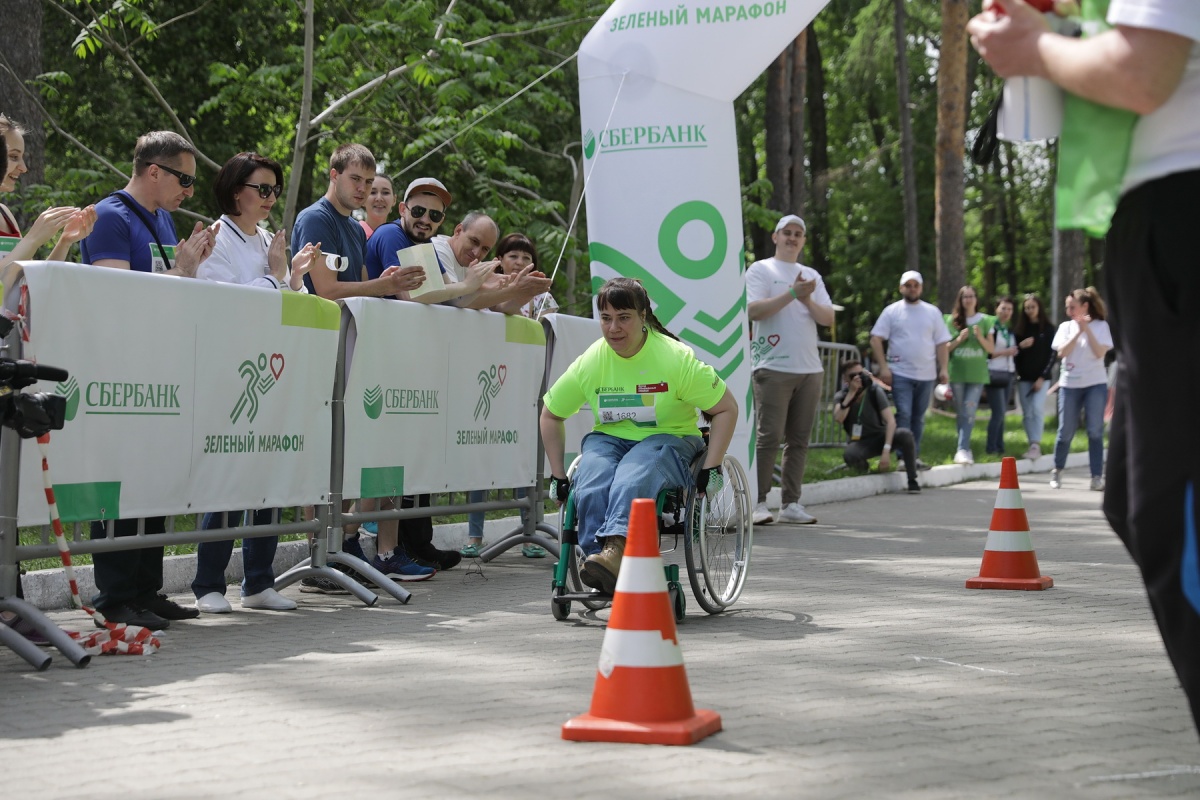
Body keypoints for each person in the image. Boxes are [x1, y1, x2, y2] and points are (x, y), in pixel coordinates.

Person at [983, 0, 1200, 737]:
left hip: (1182, 209)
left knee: (1178, 511)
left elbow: (1142, 74)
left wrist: (1039, 48)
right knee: (1140, 499)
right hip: (1157, 216)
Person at [79, 130, 220, 629]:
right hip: (118, 375)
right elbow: (114, 293)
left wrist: (192, 268)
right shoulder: (110, 217)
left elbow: (168, 291)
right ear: (154, 171)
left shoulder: (162, 218)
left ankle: (146, 590)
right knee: (118, 487)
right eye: (184, 178)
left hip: (159, 371)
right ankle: (115, 596)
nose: (189, 190)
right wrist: (179, 272)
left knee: (154, 482)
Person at [291, 144, 434, 587]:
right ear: (333, 175)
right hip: (319, 352)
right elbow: (328, 290)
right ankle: (320, 554)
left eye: (370, 184)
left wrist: (383, 287)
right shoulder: (315, 219)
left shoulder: (355, 228)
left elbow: (356, 291)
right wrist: (385, 284)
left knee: (348, 454)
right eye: (356, 181)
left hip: (350, 352)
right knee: (323, 453)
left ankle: (344, 545)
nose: (363, 190)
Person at [540, 278, 737, 595]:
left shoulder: (675, 359)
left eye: (624, 317)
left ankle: (615, 553)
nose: (613, 328)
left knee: (635, 471)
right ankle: (599, 563)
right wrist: (558, 476)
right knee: (590, 478)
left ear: (643, 316)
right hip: (609, 440)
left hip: (670, 438)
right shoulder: (593, 361)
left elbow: (727, 408)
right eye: (606, 318)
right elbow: (551, 414)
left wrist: (711, 467)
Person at [191, 152, 322, 613]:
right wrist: (275, 275)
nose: (269, 198)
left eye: (273, 190)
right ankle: (208, 583)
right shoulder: (215, 238)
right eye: (260, 189)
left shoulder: (270, 238)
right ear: (234, 191)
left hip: (273, 370)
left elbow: (291, 300)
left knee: (267, 475)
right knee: (227, 480)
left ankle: (258, 581)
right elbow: (222, 304)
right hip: (231, 373)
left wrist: (295, 277)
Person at [460, 232, 559, 560]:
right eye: (512, 255)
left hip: (527, 388)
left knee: (525, 461)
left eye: (526, 257)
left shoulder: (543, 297)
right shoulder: (487, 288)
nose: (519, 262)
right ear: (499, 259)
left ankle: (530, 532)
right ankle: (475, 535)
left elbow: (550, 328)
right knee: (479, 460)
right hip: (487, 385)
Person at [745, 214, 834, 525]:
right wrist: (793, 294)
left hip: (810, 368)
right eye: (787, 233)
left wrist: (806, 298)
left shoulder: (810, 275)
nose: (792, 238)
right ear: (775, 237)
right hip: (772, 366)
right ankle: (757, 502)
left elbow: (828, 318)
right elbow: (753, 310)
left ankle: (791, 503)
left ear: (803, 240)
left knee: (799, 439)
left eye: (798, 234)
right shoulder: (761, 269)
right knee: (768, 437)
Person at [869, 270, 951, 466]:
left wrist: (944, 369)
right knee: (904, 414)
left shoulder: (932, 312)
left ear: (921, 288)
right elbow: (875, 339)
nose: (912, 289)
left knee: (918, 417)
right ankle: (902, 457)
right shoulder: (892, 311)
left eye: (916, 285)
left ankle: (913, 455)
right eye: (908, 285)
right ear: (901, 288)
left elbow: (942, 343)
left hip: (926, 374)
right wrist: (884, 367)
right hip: (900, 372)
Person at [0, 114, 95, 271]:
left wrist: (65, 242)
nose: (23, 168)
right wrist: (32, 239)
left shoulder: (5, 214)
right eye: (14, 157)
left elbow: (27, 282)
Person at [1048, 287, 1111, 491]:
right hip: (1070, 385)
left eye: (1072, 307)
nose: (1069, 311)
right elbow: (1061, 353)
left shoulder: (1101, 326)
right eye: (1067, 307)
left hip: (1095, 384)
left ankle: (1096, 476)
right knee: (1065, 431)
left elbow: (1100, 352)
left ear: (1085, 306)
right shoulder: (1065, 327)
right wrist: (1077, 333)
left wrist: (1088, 330)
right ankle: (1057, 469)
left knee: (1094, 431)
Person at [832, 360, 920, 494]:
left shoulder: (873, 391)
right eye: (852, 376)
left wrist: (886, 451)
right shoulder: (842, 396)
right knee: (850, 454)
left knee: (905, 434)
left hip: (881, 437)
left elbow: (891, 422)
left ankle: (912, 479)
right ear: (845, 379)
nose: (858, 378)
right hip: (860, 442)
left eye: (860, 374)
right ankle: (863, 468)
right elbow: (839, 418)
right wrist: (851, 393)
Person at [944, 286, 995, 465]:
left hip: (977, 375)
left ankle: (962, 449)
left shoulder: (986, 320)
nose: (968, 299)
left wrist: (980, 337)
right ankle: (964, 447)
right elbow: (945, 349)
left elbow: (991, 349)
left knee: (969, 411)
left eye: (971, 296)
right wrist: (959, 339)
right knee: (961, 412)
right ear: (960, 299)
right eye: (965, 297)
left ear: (976, 299)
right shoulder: (950, 320)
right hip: (957, 373)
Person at [1013, 293, 1055, 460]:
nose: (1030, 310)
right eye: (1027, 308)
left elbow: (1053, 355)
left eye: (1033, 307)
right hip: (1023, 378)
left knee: (1037, 408)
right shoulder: (1019, 331)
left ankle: (1036, 444)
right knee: (1027, 412)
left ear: (1039, 308)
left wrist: (1042, 377)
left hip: (1041, 378)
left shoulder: (1048, 329)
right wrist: (1021, 347)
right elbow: (1014, 355)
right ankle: (1031, 443)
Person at [985, 296, 1018, 456]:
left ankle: (1000, 447)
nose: (1006, 312)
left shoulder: (1009, 330)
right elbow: (988, 353)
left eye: (1009, 309)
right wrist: (1006, 352)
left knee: (1002, 412)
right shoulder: (992, 328)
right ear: (996, 309)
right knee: (997, 412)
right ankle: (991, 447)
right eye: (1003, 308)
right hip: (993, 373)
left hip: (1008, 373)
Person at [358, 173, 396, 237]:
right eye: (372, 192)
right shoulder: (352, 235)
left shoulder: (397, 237)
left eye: (385, 193)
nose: (379, 198)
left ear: (394, 200)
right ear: (363, 199)